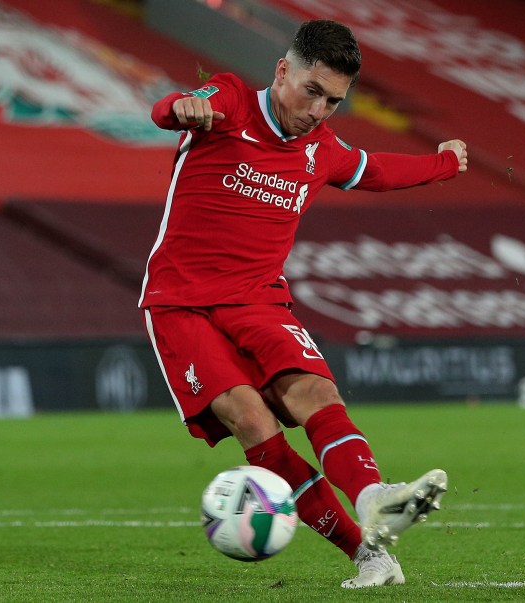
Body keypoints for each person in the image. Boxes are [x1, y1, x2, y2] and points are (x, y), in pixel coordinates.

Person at [139, 19, 464, 588]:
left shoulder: (322, 150)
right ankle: (365, 554)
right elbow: (170, 107)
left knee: (316, 392)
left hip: (258, 300)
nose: (318, 111)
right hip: (181, 303)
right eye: (311, 91)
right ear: (283, 71)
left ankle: (374, 497)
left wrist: (445, 163)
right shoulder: (231, 103)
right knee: (250, 417)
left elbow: (380, 172)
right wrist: (183, 108)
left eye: (333, 101)